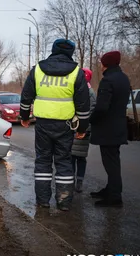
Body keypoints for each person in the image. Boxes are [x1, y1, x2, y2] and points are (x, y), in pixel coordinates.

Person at [20, 39, 90, 211]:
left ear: (53, 50)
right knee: (64, 162)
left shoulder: (37, 69)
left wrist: (24, 116)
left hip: (43, 125)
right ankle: (64, 202)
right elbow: (83, 104)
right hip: (65, 126)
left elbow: (26, 96)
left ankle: (43, 200)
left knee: (43, 161)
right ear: (70, 53)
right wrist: (82, 128)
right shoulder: (76, 72)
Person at [89, 51, 130, 207]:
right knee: (113, 161)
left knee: (110, 163)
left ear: (106, 64)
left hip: (108, 130)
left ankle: (114, 197)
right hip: (118, 127)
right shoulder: (123, 78)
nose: (100, 65)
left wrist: (90, 120)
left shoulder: (108, 80)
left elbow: (101, 108)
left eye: (102, 62)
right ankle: (111, 189)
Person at [71, 68, 97, 193]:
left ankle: (79, 181)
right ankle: (71, 181)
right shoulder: (78, 90)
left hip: (83, 129)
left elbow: (90, 112)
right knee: (71, 156)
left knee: (80, 157)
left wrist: (83, 129)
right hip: (74, 127)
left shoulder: (90, 93)